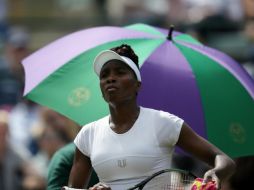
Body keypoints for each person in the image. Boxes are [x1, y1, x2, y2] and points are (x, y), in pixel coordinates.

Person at [68, 44, 235, 190]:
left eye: (120, 73)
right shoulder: (87, 134)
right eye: (104, 75)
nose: (110, 79)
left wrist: (216, 172)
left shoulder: (164, 123)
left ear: (137, 85)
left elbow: (223, 160)